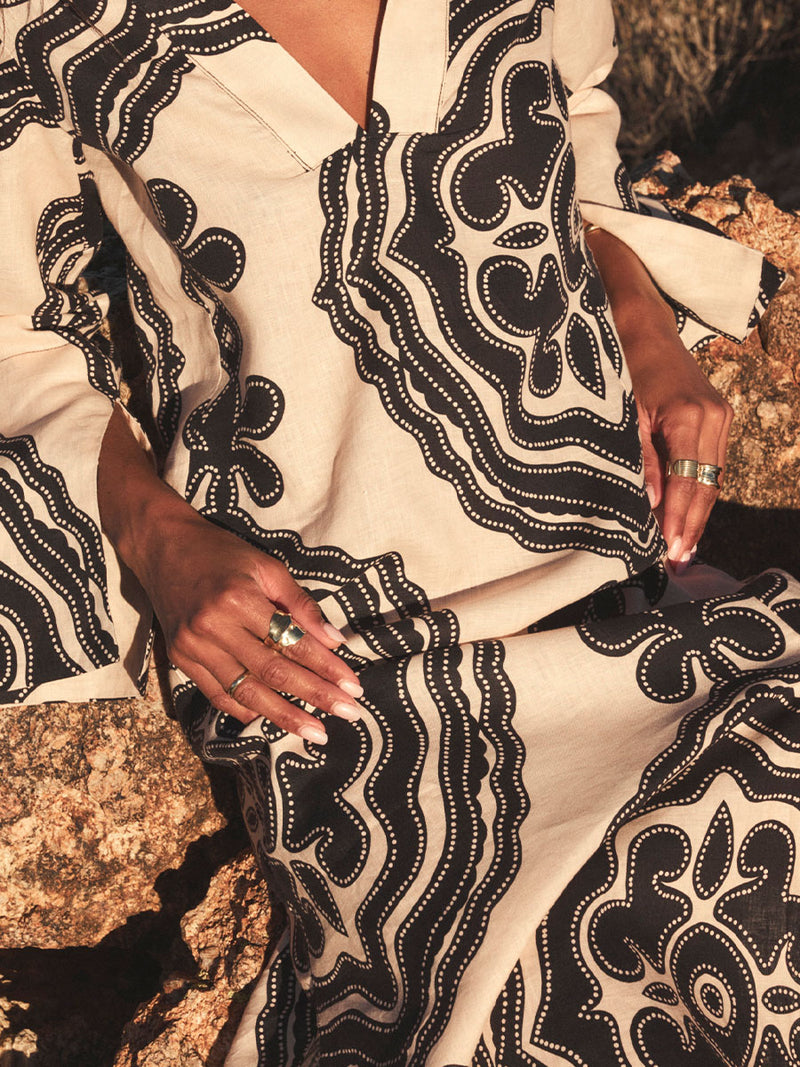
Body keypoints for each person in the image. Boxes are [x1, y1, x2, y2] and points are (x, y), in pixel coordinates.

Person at [1, 0, 798, 1063]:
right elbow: (15, 343)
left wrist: (641, 321)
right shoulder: (51, 23)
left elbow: (572, 132)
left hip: (633, 589)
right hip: (358, 676)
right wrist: (162, 540)